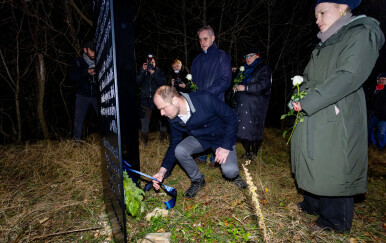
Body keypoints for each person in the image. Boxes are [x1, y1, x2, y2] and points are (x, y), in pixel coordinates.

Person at [290, 0, 384, 233]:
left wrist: (309, 101)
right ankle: (313, 203)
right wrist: (297, 96)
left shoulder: (361, 33)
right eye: (316, 15)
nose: (317, 20)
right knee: (313, 155)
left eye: (322, 13)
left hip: (338, 108)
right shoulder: (324, 43)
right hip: (316, 106)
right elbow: (309, 77)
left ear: (342, 8)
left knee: (335, 161)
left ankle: (334, 221)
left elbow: (348, 76)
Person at [151, 86, 247, 198]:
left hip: (221, 137)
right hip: (201, 138)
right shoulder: (172, 117)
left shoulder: (204, 98)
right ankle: (198, 180)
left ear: (174, 100)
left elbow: (232, 117)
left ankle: (235, 176)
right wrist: (162, 172)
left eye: (163, 108)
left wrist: (225, 147)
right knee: (180, 150)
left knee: (230, 171)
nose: (162, 113)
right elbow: (174, 143)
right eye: (160, 110)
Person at [190, 25, 232, 166]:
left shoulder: (222, 56)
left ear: (213, 38)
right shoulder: (197, 60)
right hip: (200, 102)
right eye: (200, 39)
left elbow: (226, 80)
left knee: (216, 127)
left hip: (216, 100)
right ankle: (202, 155)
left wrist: (207, 94)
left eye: (205, 38)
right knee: (202, 126)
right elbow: (193, 82)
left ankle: (216, 157)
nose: (202, 42)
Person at [233, 46, 272, 159]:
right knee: (242, 128)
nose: (248, 58)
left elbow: (263, 86)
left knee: (254, 129)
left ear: (257, 56)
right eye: (246, 56)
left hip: (257, 105)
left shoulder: (263, 68)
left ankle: (254, 153)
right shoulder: (243, 69)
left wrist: (245, 88)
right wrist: (234, 87)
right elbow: (237, 83)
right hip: (242, 104)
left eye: (251, 56)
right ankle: (247, 152)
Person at [70, 41, 98, 143]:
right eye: (91, 51)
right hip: (82, 95)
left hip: (97, 96)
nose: (94, 53)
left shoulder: (100, 60)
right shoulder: (78, 62)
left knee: (105, 118)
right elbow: (73, 77)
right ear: (85, 50)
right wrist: (87, 72)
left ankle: (109, 141)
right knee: (78, 120)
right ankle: (76, 143)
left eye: (95, 50)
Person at [136, 54, 168, 144]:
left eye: (152, 62)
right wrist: (142, 71)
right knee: (145, 121)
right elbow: (137, 82)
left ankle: (164, 139)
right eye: (149, 62)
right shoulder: (144, 71)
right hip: (145, 100)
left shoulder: (160, 72)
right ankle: (145, 141)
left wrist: (153, 74)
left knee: (162, 120)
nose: (150, 64)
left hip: (158, 100)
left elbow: (163, 83)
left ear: (155, 63)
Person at [368, 73, 386, 150]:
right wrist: (375, 92)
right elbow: (368, 101)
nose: (381, 81)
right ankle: (371, 144)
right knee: (368, 130)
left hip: (384, 116)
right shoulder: (372, 89)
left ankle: (381, 147)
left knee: (381, 133)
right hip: (372, 115)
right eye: (379, 79)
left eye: (383, 79)